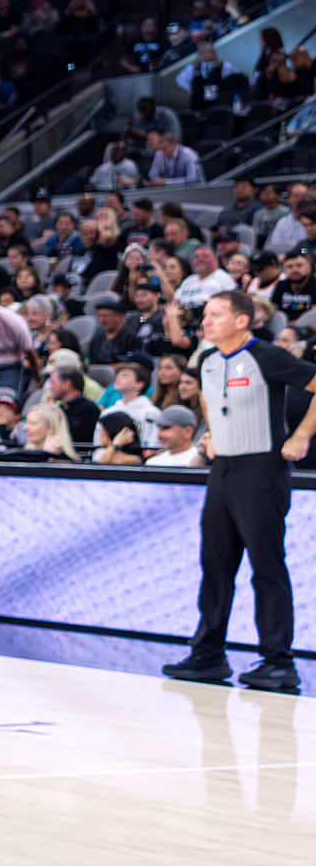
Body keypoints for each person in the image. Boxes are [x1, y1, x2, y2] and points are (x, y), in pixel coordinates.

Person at [161, 290, 315, 691]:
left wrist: (301, 435)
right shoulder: (207, 360)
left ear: (242, 321)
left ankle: (279, 662)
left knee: (266, 566)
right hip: (223, 470)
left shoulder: (267, 356)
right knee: (215, 565)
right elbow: (210, 398)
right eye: (206, 315)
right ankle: (208, 654)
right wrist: (213, 432)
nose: (205, 321)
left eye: (215, 315)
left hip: (262, 471)